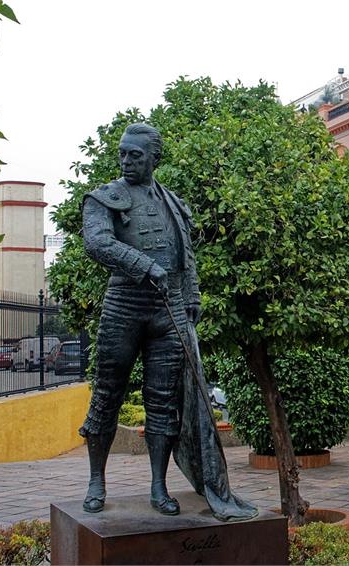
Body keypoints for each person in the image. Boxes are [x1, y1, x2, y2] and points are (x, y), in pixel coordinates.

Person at [79, 123, 257, 521]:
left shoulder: (173, 202)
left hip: (170, 308)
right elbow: (98, 243)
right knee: (107, 396)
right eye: (123, 153)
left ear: (155, 159)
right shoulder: (104, 197)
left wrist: (191, 297)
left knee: (163, 402)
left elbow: (185, 254)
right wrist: (143, 265)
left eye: (135, 155)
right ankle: (96, 482)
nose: (125, 160)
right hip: (124, 305)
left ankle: (159, 487)